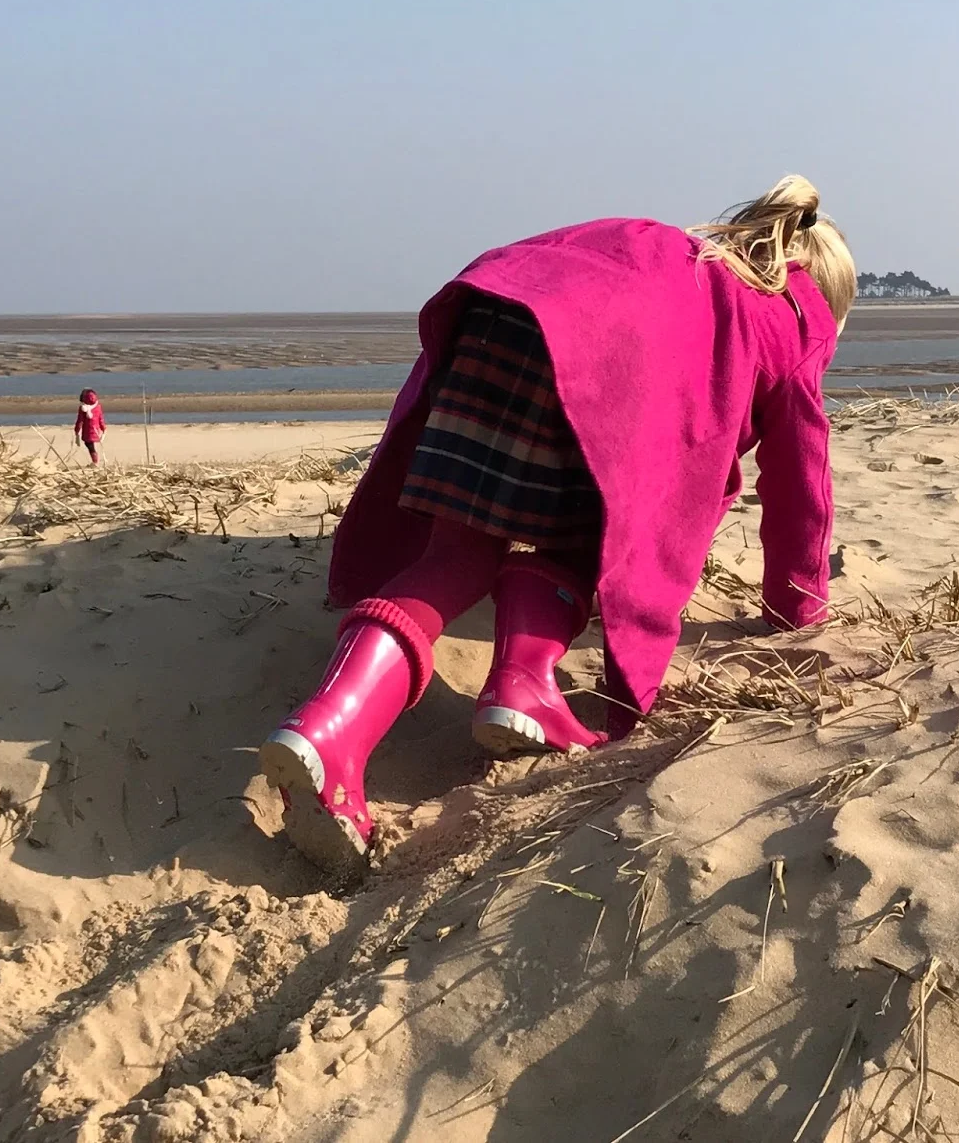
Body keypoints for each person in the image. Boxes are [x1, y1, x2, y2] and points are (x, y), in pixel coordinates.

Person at [260, 175, 856, 872]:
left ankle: (354, 717)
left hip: (499, 317)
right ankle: (439, 711)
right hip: (595, 361)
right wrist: (799, 603)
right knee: (595, 536)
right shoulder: (791, 317)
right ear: (821, 293)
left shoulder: (677, 255)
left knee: (457, 553)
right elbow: (799, 485)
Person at [74, 389, 106, 464]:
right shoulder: (98, 406)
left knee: (89, 445)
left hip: (88, 431)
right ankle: (95, 460)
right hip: (96, 430)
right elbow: (100, 418)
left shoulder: (83, 409)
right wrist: (103, 428)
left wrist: (77, 430)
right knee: (90, 445)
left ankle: (95, 461)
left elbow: (80, 421)